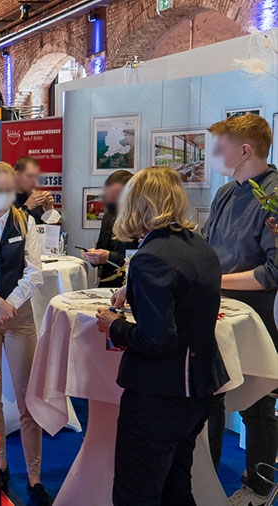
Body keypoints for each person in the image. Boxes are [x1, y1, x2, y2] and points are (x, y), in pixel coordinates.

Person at [96, 166, 228, 505]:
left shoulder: (151, 256)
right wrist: (132, 287)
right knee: (176, 487)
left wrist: (114, 324)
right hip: (199, 390)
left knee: (135, 494)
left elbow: (157, 340)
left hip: (159, 394)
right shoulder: (199, 246)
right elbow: (186, 296)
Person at [201, 114, 278, 505]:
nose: (214, 155)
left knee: (258, 405)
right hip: (218, 319)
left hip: (258, 321)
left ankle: (259, 487)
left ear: (244, 150)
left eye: (220, 146)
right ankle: (208, 484)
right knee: (213, 397)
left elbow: (272, 272)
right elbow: (207, 247)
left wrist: (215, 282)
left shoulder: (274, 195)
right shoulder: (225, 193)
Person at [0, 162, 51, 505]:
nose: (5, 196)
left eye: (9, 189)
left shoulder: (25, 221)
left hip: (18, 317)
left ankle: (34, 476)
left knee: (27, 398)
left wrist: (9, 304)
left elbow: (34, 272)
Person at [82, 170, 138, 287]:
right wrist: (94, 256)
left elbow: (142, 259)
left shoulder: (142, 218)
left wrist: (109, 257)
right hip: (105, 284)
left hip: (130, 285)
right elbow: (102, 247)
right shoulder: (109, 215)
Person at [14, 156, 60, 224]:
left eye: (35, 176)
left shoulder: (34, 197)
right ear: (17, 174)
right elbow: (6, 228)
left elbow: (45, 230)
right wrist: (27, 207)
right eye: (29, 176)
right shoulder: (4, 199)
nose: (34, 181)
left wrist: (48, 210)